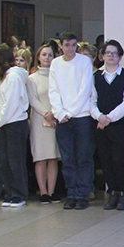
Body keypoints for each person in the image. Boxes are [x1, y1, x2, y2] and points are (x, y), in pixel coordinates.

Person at [48, 32, 97, 210]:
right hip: (62, 118)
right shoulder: (56, 63)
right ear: (61, 46)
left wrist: (70, 112)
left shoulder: (84, 62)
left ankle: (83, 193)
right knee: (67, 158)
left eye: (74, 45)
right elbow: (53, 90)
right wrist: (60, 112)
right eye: (67, 45)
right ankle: (71, 193)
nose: (71, 48)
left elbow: (85, 89)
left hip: (81, 116)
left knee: (83, 157)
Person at [91, 39, 124, 211]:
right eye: (107, 53)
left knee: (118, 159)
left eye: (114, 53)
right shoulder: (95, 76)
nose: (111, 56)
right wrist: (99, 116)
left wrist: (108, 118)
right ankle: (112, 192)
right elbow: (91, 100)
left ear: (120, 56)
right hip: (100, 124)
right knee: (105, 160)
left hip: (119, 125)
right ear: (102, 56)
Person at [0, 44, 30, 208]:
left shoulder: (13, 77)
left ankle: (19, 194)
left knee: (15, 160)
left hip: (15, 123)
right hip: (5, 123)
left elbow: (10, 104)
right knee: (4, 161)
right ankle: (10, 192)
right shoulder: (2, 77)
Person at [27, 44, 60, 204]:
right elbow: (33, 100)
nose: (47, 57)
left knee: (53, 157)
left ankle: (52, 191)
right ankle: (43, 192)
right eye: (44, 54)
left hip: (55, 119)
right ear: (38, 57)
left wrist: (54, 113)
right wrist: (47, 113)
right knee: (41, 158)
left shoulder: (57, 76)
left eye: (50, 55)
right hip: (39, 120)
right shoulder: (32, 78)